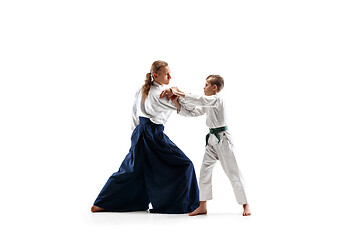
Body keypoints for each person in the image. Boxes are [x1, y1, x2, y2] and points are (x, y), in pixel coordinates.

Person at [91, 60, 199, 214]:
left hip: (141, 132)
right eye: (166, 74)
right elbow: (190, 111)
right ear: (156, 75)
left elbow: (134, 113)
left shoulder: (142, 90)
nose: (170, 76)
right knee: (184, 165)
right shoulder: (160, 95)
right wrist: (178, 93)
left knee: (133, 169)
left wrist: (135, 135)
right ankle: (181, 204)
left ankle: (103, 203)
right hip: (152, 134)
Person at [160, 75, 251, 216]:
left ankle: (246, 205)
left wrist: (180, 92)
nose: (204, 87)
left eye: (206, 84)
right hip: (212, 141)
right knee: (204, 172)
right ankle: (203, 205)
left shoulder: (217, 99)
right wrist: (177, 103)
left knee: (233, 173)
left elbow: (200, 100)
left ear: (214, 87)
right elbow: (193, 112)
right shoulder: (209, 103)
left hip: (224, 140)